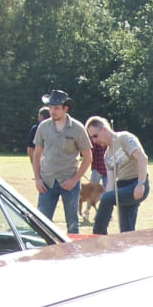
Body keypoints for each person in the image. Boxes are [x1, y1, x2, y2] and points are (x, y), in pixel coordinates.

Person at [31, 90, 92, 233]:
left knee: (72, 223)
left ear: (65, 108)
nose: (53, 111)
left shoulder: (78, 128)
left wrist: (75, 179)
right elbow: (36, 154)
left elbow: (88, 157)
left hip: (69, 181)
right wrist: (38, 179)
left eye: (57, 108)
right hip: (47, 181)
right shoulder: (43, 127)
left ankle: (72, 253)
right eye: (50, 107)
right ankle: (44, 252)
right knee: (42, 222)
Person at [85, 115, 149, 235]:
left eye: (95, 136)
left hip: (136, 183)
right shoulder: (107, 156)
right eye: (91, 138)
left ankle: (98, 235)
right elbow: (110, 182)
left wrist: (140, 184)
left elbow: (142, 158)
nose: (94, 140)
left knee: (106, 198)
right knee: (126, 231)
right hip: (122, 187)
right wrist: (107, 197)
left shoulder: (123, 138)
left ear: (104, 129)